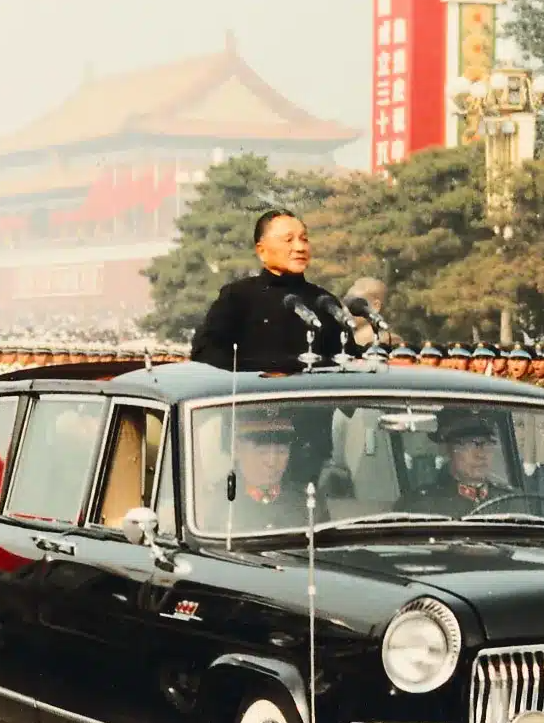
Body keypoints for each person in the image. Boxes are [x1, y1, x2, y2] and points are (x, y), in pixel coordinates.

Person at [189, 209, 361, 371]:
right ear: (262, 251)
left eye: (304, 239)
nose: (300, 248)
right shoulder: (237, 297)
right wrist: (274, 369)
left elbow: (348, 359)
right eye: (288, 240)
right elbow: (205, 353)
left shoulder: (323, 301)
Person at [197, 411, 315, 534]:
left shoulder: (307, 504)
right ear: (236, 448)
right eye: (262, 451)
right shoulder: (215, 505)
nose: (272, 461)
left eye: (281, 451)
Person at [396, 409, 515, 517]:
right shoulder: (420, 507)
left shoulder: (512, 501)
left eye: (488, 444)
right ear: (448, 449)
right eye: (470, 444)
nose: (481, 454)